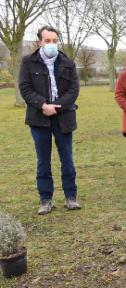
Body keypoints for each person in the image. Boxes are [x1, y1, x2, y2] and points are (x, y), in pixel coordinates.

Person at [19, 26, 81, 215]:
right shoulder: (28, 62)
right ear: (40, 42)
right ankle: (46, 199)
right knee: (43, 161)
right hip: (39, 118)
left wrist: (57, 106)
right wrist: (43, 105)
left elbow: (74, 89)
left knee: (67, 159)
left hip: (63, 117)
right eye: (48, 41)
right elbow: (25, 87)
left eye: (55, 41)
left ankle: (71, 197)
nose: (52, 44)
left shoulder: (68, 63)